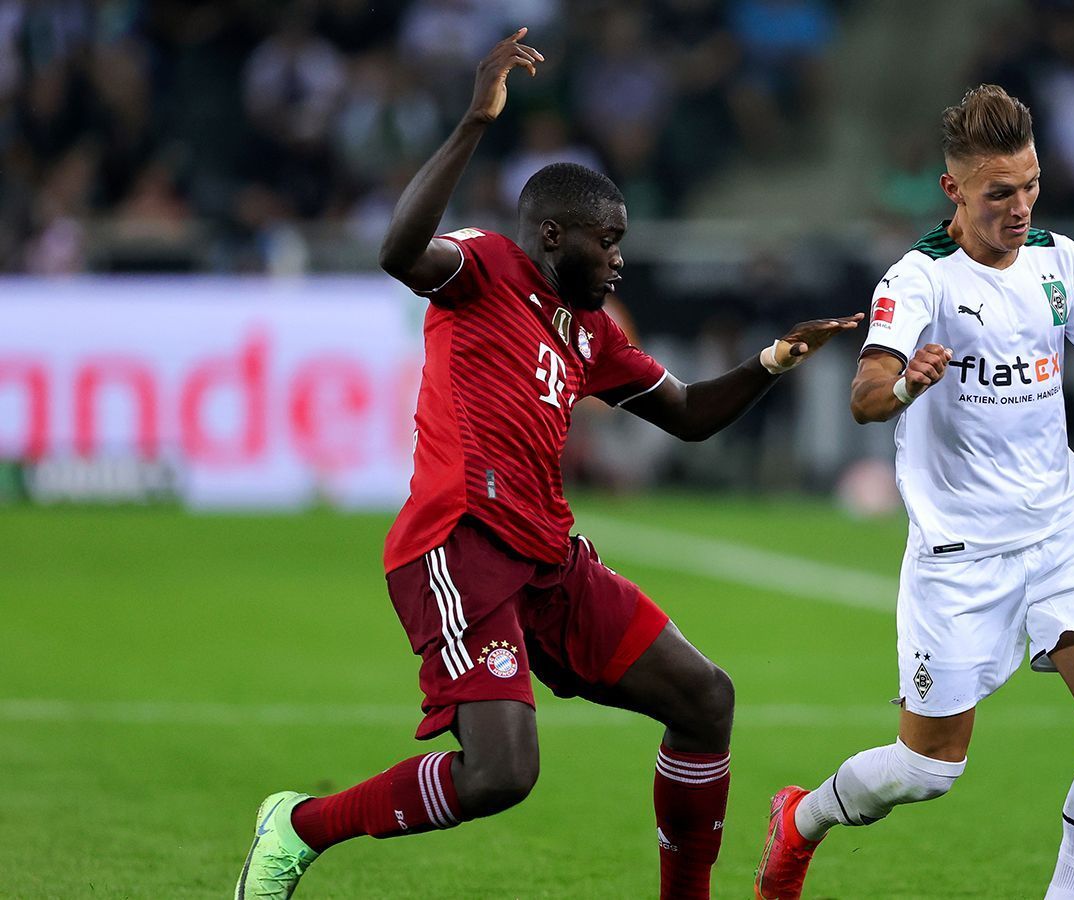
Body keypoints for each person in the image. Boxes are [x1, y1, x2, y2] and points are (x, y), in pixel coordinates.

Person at [234, 30, 861, 900]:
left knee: (705, 698)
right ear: (554, 235)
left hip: (548, 557)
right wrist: (473, 122)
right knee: (500, 775)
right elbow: (396, 253)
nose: (619, 258)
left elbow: (684, 416)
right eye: (608, 242)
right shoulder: (483, 267)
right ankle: (298, 827)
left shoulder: (592, 332)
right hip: (461, 546)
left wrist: (773, 361)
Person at [754, 85, 1074, 900]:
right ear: (955, 191)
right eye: (1001, 193)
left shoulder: (1061, 263)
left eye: (1031, 185)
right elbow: (864, 394)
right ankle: (800, 821)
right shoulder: (919, 278)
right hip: (961, 555)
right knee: (925, 771)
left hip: (1061, 533)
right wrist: (908, 385)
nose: (1021, 206)